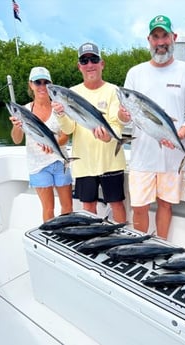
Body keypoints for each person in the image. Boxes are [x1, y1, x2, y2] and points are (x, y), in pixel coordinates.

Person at [118, 15, 185, 239]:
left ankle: (161, 246)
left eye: (165, 36)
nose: (161, 41)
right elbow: (125, 117)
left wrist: (181, 132)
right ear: (149, 40)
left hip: (173, 155)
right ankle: (140, 248)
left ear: (173, 37)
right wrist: (122, 114)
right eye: (156, 37)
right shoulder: (135, 73)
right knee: (139, 207)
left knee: (166, 205)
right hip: (142, 156)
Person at [52, 42, 126, 223]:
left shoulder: (114, 91)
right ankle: (92, 242)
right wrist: (60, 114)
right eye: (84, 61)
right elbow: (69, 129)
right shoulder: (72, 93)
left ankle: (124, 244)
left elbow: (117, 124)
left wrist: (110, 135)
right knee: (88, 206)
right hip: (84, 162)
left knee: (117, 204)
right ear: (79, 66)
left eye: (93, 59)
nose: (89, 64)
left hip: (111, 161)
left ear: (102, 63)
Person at [9, 67, 73, 221]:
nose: (42, 87)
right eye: (38, 82)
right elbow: (16, 140)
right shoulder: (24, 110)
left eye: (46, 83)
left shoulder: (58, 108)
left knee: (68, 206)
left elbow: (66, 135)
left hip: (60, 161)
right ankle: (50, 238)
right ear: (31, 84)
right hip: (38, 165)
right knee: (48, 208)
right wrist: (17, 127)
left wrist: (54, 143)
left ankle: (68, 234)